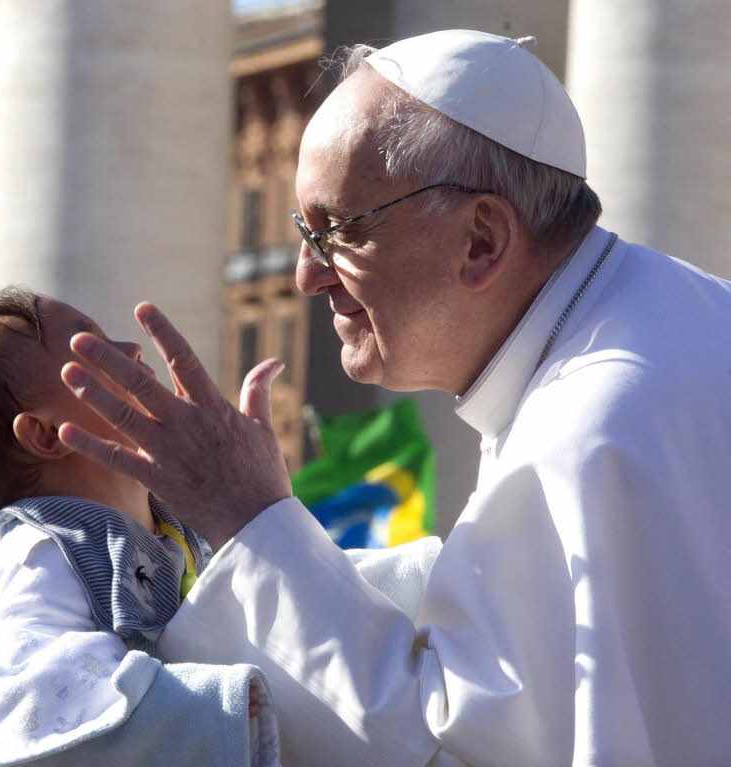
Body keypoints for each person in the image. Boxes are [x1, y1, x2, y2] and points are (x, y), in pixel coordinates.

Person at [54, 30, 731, 766]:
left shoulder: (588, 432)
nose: (307, 276)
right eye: (300, 233)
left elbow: (448, 753)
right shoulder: (674, 319)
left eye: (337, 231)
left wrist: (250, 518)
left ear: (481, 240)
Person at [0, 289, 279, 766]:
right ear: (45, 435)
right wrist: (205, 708)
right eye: (93, 348)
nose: (131, 351)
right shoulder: (36, 560)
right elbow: (19, 711)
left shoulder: (177, 530)